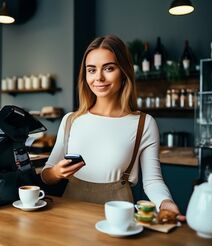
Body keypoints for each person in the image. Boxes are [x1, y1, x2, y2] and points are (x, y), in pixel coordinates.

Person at [41, 34, 185, 221]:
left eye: (108, 68)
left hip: (117, 215)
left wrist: (166, 202)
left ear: (123, 71)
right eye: (91, 70)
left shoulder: (144, 123)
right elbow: (46, 175)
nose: (99, 77)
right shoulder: (71, 120)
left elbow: (152, 181)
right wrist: (56, 172)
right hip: (70, 215)